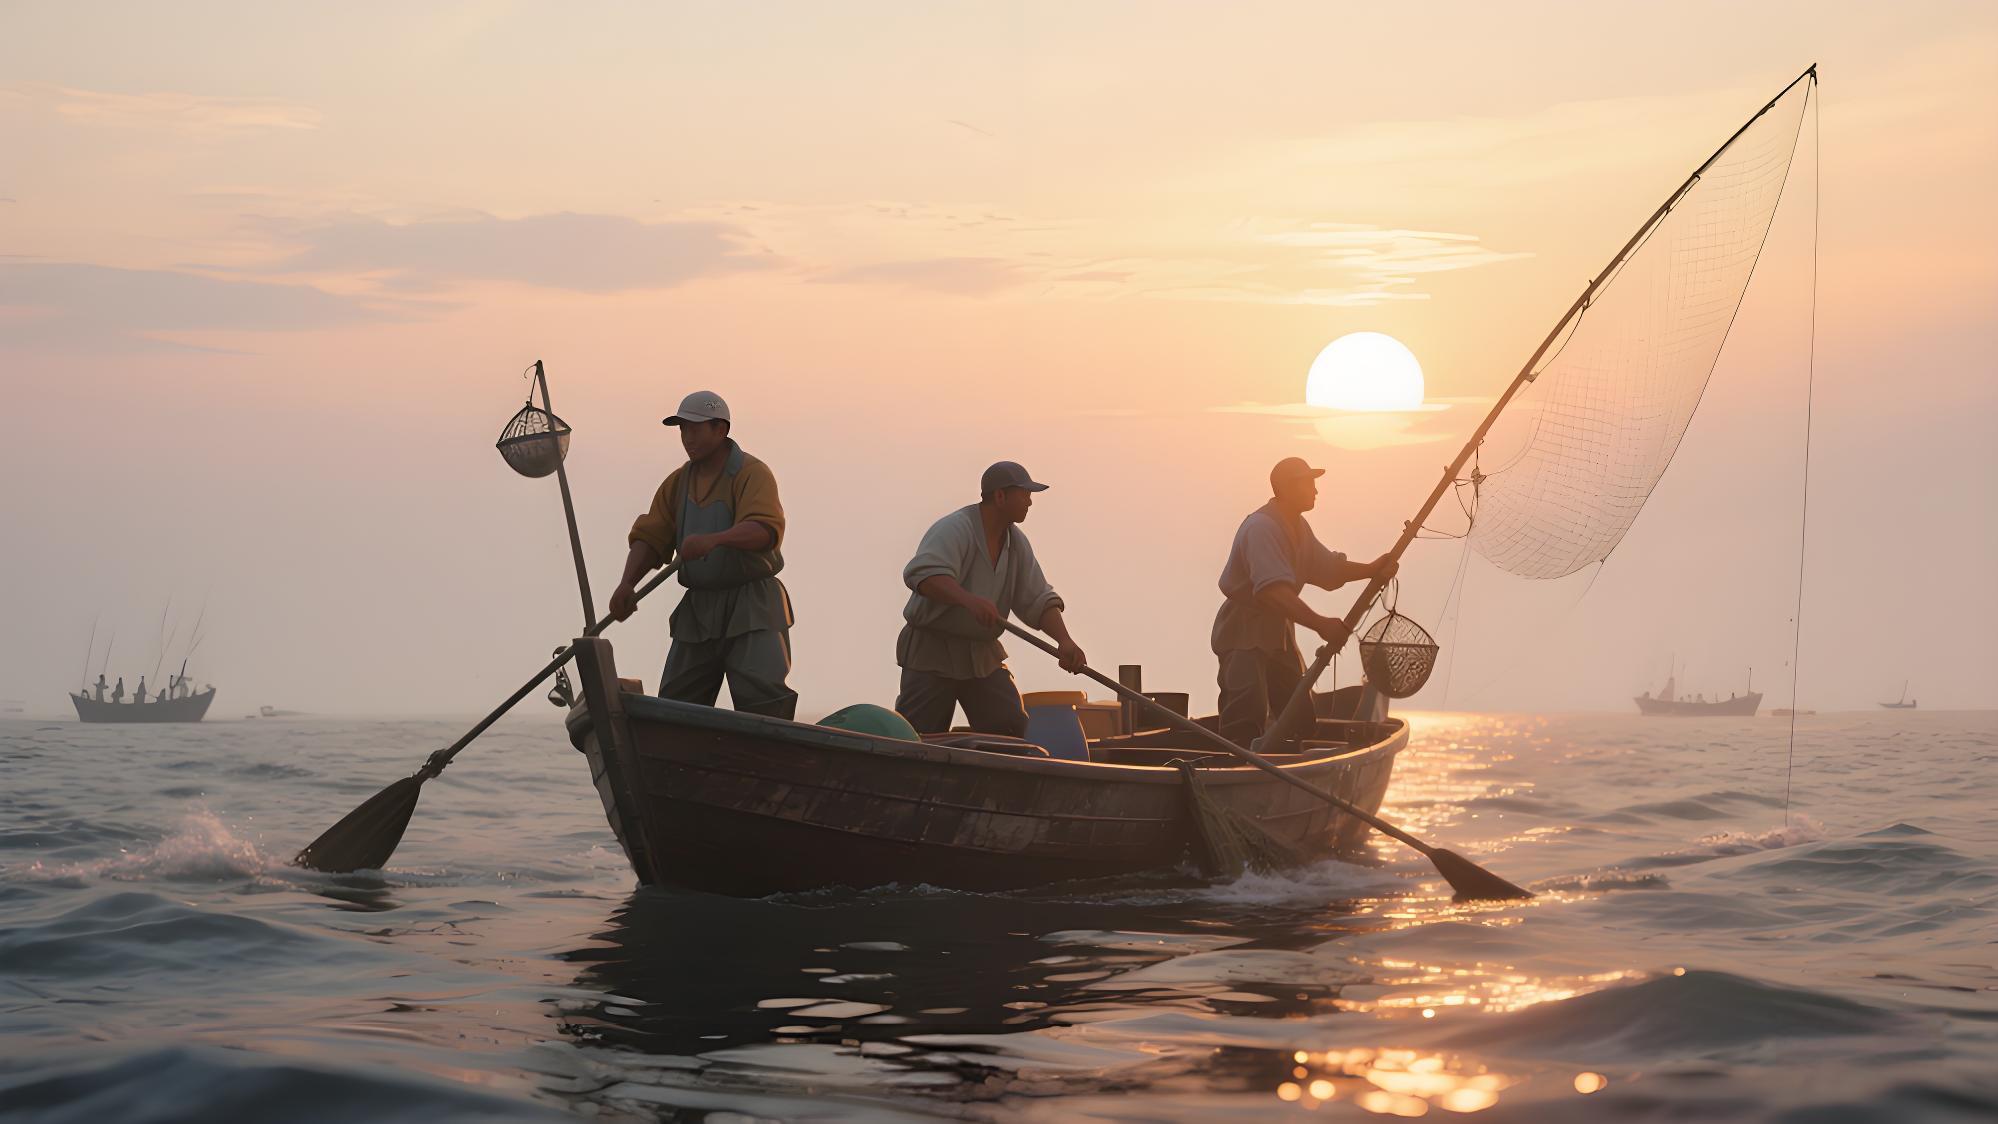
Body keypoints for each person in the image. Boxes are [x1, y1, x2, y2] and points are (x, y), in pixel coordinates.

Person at [607, 391, 797, 720]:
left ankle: (768, 749)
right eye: (682, 429)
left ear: (720, 429)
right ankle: (672, 748)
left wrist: (715, 540)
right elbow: (651, 537)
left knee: (762, 697)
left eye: (695, 429)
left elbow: (765, 530)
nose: (687, 437)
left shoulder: (752, 473)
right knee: (677, 701)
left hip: (751, 603)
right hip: (698, 608)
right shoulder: (678, 483)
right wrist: (627, 584)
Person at [1211, 457, 1397, 746]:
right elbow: (1272, 593)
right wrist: (1321, 624)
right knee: (1246, 712)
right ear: (1287, 487)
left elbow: (1329, 569)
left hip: (1279, 631)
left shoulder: (1297, 527)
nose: (1316, 490)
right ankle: (1239, 763)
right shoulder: (1261, 527)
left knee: (1297, 714)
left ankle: (1285, 759)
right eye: (1308, 483)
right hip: (1244, 629)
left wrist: (1371, 569)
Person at [894, 461, 1086, 738]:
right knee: (919, 735)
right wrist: (968, 601)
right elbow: (924, 575)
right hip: (932, 651)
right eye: (1024, 494)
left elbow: (1037, 598)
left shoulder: (1016, 543)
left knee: (1009, 726)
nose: (1030, 502)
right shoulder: (955, 529)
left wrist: (1064, 640)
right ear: (1000, 496)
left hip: (982, 655)